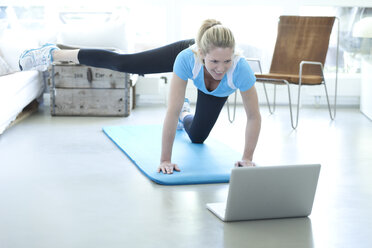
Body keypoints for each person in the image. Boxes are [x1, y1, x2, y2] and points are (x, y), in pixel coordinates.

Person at [19, 19, 261, 174]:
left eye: (227, 61)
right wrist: (165, 160)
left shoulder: (239, 70)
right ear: (200, 54)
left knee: (197, 136)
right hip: (186, 59)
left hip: (215, 92)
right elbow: (170, 111)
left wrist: (247, 158)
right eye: (214, 62)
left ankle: (188, 113)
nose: (221, 68)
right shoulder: (187, 58)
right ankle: (53, 54)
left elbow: (253, 117)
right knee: (126, 63)